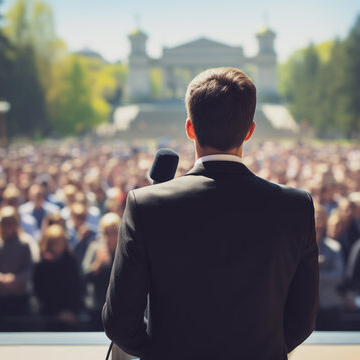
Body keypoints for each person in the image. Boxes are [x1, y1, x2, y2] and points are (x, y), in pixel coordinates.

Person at [103, 67, 318, 359]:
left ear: (190, 128)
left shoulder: (146, 206)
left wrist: (163, 352)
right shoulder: (295, 206)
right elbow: (302, 319)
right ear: (250, 131)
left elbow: (120, 322)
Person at [0, 206, 39, 331]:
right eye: (5, 222)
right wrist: (0, 278)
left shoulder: (26, 242)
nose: (8, 225)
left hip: (20, 297)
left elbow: (32, 266)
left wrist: (16, 278)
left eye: (11, 222)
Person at [34, 224, 83, 331]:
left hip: (71, 316)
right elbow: (40, 292)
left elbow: (76, 288)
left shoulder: (71, 261)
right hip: (49, 317)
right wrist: (57, 314)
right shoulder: (42, 265)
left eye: (60, 241)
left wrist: (72, 312)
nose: (58, 245)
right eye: (54, 242)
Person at [83, 212, 120, 330]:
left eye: (113, 232)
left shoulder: (125, 250)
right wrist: (98, 263)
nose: (110, 237)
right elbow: (85, 275)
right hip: (97, 306)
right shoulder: (95, 248)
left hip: (118, 306)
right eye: (106, 233)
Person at [314, 204, 344, 330]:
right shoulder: (297, 247)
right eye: (315, 218)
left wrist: (312, 273)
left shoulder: (334, 247)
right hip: (303, 305)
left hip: (328, 304)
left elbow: (338, 276)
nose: (318, 224)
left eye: (321, 219)